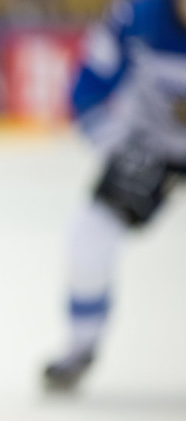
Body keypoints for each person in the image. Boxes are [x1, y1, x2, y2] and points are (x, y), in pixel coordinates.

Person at [43, 0, 186, 391]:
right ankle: (80, 346)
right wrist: (117, 146)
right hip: (150, 146)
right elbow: (87, 87)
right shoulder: (136, 15)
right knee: (88, 237)